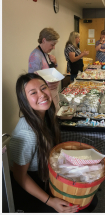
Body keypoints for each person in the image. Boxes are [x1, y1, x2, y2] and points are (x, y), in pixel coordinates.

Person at [9, 73, 78, 213]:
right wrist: (51, 201)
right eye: (33, 92)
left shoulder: (45, 116)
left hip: (46, 176)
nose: (42, 94)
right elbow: (19, 176)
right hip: (31, 188)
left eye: (43, 88)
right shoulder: (27, 133)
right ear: (24, 100)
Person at [28, 28, 61, 110]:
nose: (53, 48)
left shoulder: (46, 54)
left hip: (52, 94)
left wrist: (55, 63)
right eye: (52, 45)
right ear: (44, 40)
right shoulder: (35, 56)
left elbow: (48, 71)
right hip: (44, 98)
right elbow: (33, 81)